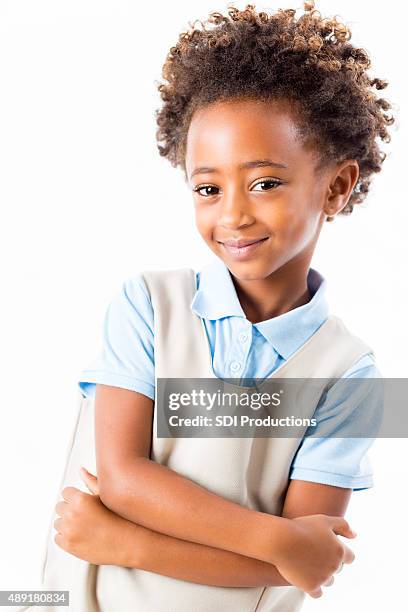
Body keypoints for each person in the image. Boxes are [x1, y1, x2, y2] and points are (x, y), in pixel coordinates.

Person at [43, 2, 393, 611]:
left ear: (335, 186)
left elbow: (300, 568)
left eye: (264, 183)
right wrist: (279, 541)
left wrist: (124, 543)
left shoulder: (350, 375)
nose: (232, 214)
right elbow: (124, 480)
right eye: (208, 188)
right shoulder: (147, 305)